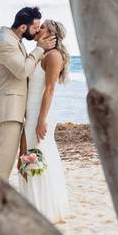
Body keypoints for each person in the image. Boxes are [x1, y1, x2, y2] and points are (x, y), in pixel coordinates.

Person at [0, 7, 55, 181]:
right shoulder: (5, 42)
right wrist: (39, 49)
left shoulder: (14, 41)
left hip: (11, 112)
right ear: (23, 27)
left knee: (3, 168)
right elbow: (22, 70)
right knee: (1, 169)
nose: (38, 31)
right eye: (35, 27)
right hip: (5, 113)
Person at [17, 19, 71, 222]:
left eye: (43, 27)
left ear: (52, 34)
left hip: (41, 114)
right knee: (26, 153)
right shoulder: (41, 54)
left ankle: (43, 210)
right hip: (31, 113)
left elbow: (50, 89)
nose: (38, 29)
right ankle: (33, 206)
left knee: (38, 154)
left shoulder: (54, 56)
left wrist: (41, 120)